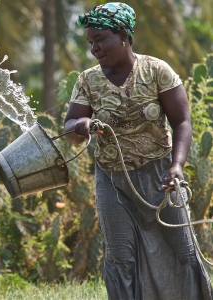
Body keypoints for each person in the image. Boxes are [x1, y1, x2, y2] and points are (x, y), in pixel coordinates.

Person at [63, 3, 213, 299]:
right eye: (90, 42)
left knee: (182, 249)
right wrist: (80, 124)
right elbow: (70, 126)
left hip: (160, 176)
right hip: (112, 182)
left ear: (123, 35)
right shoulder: (88, 80)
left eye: (101, 39)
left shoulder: (156, 71)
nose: (94, 48)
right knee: (119, 258)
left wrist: (177, 167)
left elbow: (182, 122)